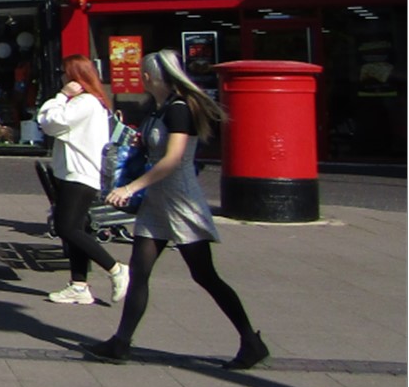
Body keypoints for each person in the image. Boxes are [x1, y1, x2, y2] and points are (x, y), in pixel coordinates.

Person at [87, 49, 268, 369]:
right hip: (158, 201)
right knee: (140, 271)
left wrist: (130, 188)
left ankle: (251, 341)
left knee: (204, 274)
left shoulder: (179, 110)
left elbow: (172, 159)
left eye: (145, 73)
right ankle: (121, 343)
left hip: (181, 201)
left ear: (157, 77)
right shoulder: (157, 109)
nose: (141, 77)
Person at [35, 55, 128, 306]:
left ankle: (116, 268)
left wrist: (61, 96)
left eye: (65, 73)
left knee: (66, 228)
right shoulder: (89, 102)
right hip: (75, 172)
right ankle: (79, 285)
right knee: (77, 229)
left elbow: (49, 122)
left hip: (80, 173)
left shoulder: (84, 102)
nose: (62, 77)